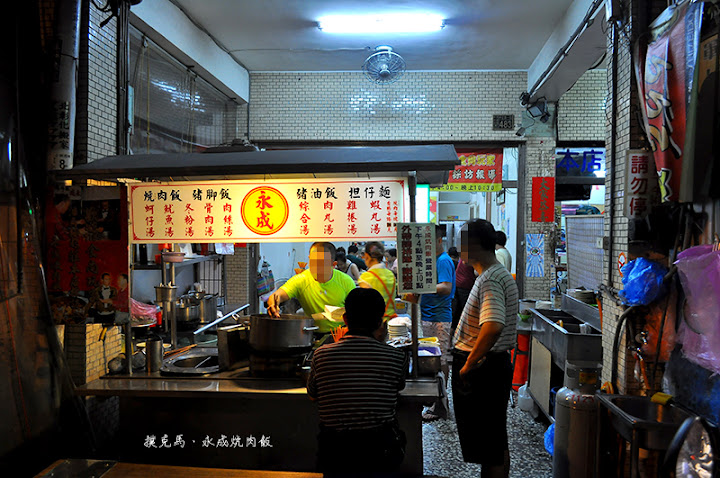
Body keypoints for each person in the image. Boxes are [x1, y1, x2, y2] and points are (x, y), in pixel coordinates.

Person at [307, 287, 408, 477]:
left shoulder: (321, 355)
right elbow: (397, 387)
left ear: (345, 320)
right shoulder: (396, 357)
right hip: (380, 450)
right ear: (380, 323)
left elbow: (313, 396)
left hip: (335, 451)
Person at [451, 219, 519, 478]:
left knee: (490, 442)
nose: (459, 250)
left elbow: (492, 326)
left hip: (483, 368)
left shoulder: (490, 278)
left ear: (475, 245)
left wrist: (468, 365)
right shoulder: (492, 274)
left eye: (462, 243)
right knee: (493, 438)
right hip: (488, 366)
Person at [409, 224, 455, 421]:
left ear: (438, 240)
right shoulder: (433, 259)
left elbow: (445, 287)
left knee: (441, 360)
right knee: (434, 359)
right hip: (430, 315)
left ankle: (441, 404)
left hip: (439, 318)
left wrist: (422, 287)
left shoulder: (443, 260)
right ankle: (437, 399)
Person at [266, 242, 356, 333]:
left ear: (333, 264)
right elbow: (277, 295)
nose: (316, 268)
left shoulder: (346, 281)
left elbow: (356, 310)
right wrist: (273, 303)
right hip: (311, 333)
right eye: (313, 262)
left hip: (341, 333)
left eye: (322, 264)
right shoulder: (302, 280)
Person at [358, 241, 397, 323]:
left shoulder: (365, 277)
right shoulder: (390, 274)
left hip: (374, 324)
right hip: (392, 323)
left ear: (367, 256)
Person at [452, 246, 477, 339]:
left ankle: (450, 342)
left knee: (456, 314)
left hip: (457, 284)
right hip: (465, 286)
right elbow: (476, 272)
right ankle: (462, 339)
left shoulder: (465, 252)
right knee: (465, 314)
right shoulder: (474, 254)